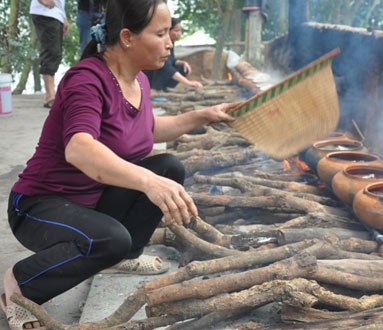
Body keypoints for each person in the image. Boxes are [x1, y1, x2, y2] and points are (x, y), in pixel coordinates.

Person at [1, 0, 236, 328]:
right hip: (38, 206)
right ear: (127, 37)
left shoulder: (139, 80)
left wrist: (204, 115)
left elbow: (148, 129)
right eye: (161, 33)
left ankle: (120, 259)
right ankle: (21, 285)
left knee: (168, 167)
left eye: (170, 33)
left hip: (89, 200)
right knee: (112, 236)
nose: (171, 42)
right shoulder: (87, 79)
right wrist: (146, 181)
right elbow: (79, 149)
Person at [144, 17, 203, 92]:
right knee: (162, 66)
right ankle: (155, 89)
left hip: (161, 69)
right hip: (148, 75)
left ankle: (164, 89)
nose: (179, 33)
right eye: (176, 30)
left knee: (182, 68)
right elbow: (167, 67)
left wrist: (182, 62)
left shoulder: (171, 42)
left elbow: (171, 60)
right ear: (168, 31)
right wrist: (188, 82)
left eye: (180, 30)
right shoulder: (160, 43)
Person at [29, 0, 70, 108]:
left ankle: (51, 94)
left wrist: (63, 17)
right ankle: (50, 96)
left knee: (56, 53)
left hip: (56, 14)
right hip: (45, 13)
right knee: (50, 51)